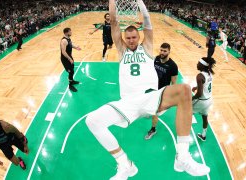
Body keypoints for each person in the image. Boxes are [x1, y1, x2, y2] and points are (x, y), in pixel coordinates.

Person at [85, 0, 210, 179]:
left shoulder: (148, 48)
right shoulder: (122, 51)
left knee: (184, 90)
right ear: (124, 39)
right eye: (127, 38)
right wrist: (112, 1)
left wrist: (141, 4)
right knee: (92, 121)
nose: (130, 40)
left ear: (138, 36)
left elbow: (148, 22)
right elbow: (113, 21)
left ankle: (182, 157)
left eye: (134, 37)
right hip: (128, 102)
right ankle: (124, 164)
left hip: (151, 97)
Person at [145, 42, 178, 140]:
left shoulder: (173, 66)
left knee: (155, 111)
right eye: (161, 50)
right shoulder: (156, 59)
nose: (162, 52)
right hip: (153, 89)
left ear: (169, 51)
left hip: (162, 92)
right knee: (149, 104)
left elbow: (173, 83)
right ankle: (150, 113)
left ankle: (153, 129)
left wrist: (170, 96)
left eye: (165, 51)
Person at [192, 57, 215, 141]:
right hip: (209, 100)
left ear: (202, 65)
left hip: (201, 101)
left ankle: (184, 133)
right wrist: (196, 87)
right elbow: (205, 84)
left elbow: (199, 94)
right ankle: (203, 135)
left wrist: (191, 98)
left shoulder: (199, 76)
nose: (197, 64)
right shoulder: (209, 73)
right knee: (205, 117)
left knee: (187, 111)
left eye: (198, 63)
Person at [60, 28, 82, 92]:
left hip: (69, 57)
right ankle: (70, 85)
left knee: (72, 70)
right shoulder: (64, 41)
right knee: (70, 71)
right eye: (70, 31)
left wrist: (76, 48)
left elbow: (70, 44)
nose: (71, 32)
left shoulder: (68, 39)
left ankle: (72, 81)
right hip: (65, 59)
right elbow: (63, 52)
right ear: (66, 33)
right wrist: (69, 59)